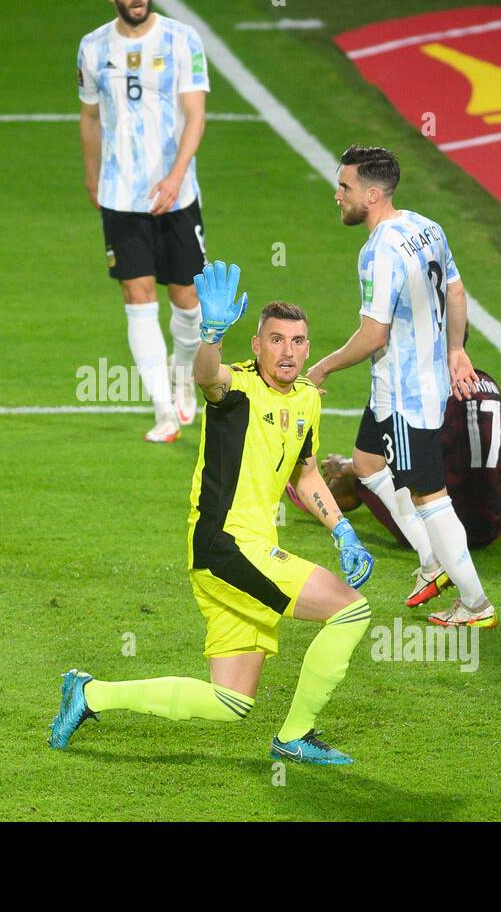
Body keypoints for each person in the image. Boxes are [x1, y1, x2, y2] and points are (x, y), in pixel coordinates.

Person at [50, 261, 375, 765]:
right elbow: (207, 376)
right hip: (226, 545)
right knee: (350, 608)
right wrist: (210, 335)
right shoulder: (238, 390)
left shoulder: (309, 399)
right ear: (256, 344)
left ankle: (89, 695)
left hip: (241, 554)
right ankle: (296, 734)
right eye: (275, 339)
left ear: (309, 348)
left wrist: (344, 530)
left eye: (297, 341)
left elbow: (306, 472)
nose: (287, 351)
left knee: (230, 702)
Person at [306, 146, 498, 628]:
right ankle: (433, 564)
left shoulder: (379, 253)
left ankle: (476, 606)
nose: (337, 195)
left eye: (345, 187)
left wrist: (323, 367)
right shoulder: (425, 226)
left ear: (372, 194)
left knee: (430, 498)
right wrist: (456, 349)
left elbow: (375, 334)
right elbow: (454, 288)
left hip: (411, 394)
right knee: (369, 463)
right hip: (397, 384)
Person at [78, 0, 208, 442]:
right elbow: (89, 117)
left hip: (177, 195)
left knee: (188, 301)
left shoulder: (181, 40)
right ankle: (163, 411)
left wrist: (175, 177)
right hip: (120, 195)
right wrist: (92, 179)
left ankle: (181, 377)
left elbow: (195, 114)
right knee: (137, 298)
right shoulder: (93, 48)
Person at [286, 362, 501, 583]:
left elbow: (412, 462)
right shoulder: (487, 382)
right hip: (492, 524)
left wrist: (347, 466)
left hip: (446, 526)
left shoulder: (430, 389)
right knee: (375, 464)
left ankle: (312, 495)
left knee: (367, 473)